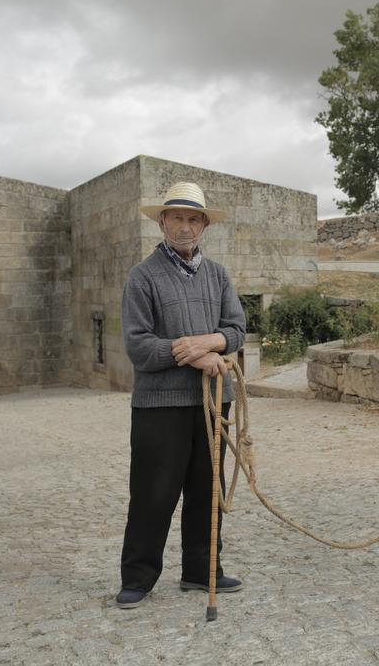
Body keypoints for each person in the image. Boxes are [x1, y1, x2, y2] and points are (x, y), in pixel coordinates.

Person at [116, 181, 247, 609]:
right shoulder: (143, 277)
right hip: (160, 404)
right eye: (177, 217)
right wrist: (189, 354)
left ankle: (201, 571)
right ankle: (138, 577)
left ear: (204, 224)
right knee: (154, 492)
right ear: (162, 221)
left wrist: (209, 343)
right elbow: (138, 345)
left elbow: (237, 331)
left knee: (207, 489)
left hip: (214, 400)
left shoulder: (219, 275)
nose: (185, 226)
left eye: (194, 218)